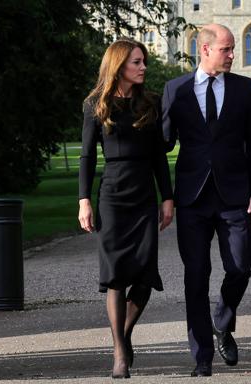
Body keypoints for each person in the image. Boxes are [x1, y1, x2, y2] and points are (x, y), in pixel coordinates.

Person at [161, 24, 251, 377]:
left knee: (240, 265)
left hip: (234, 195)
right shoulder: (175, 90)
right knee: (196, 276)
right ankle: (202, 356)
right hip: (191, 197)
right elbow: (161, 145)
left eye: (234, 48)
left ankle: (223, 319)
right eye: (227, 49)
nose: (233, 55)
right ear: (205, 50)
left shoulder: (244, 89)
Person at [78, 39, 174, 379]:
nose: (143, 67)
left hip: (144, 195)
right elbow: (87, 155)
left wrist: (167, 198)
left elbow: (159, 156)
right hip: (113, 197)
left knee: (146, 275)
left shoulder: (150, 102)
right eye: (137, 61)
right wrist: (84, 200)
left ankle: (125, 333)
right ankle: (120, 351)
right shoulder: (96, 104)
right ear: (119, 65)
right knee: (116, 276)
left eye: (143, 61)